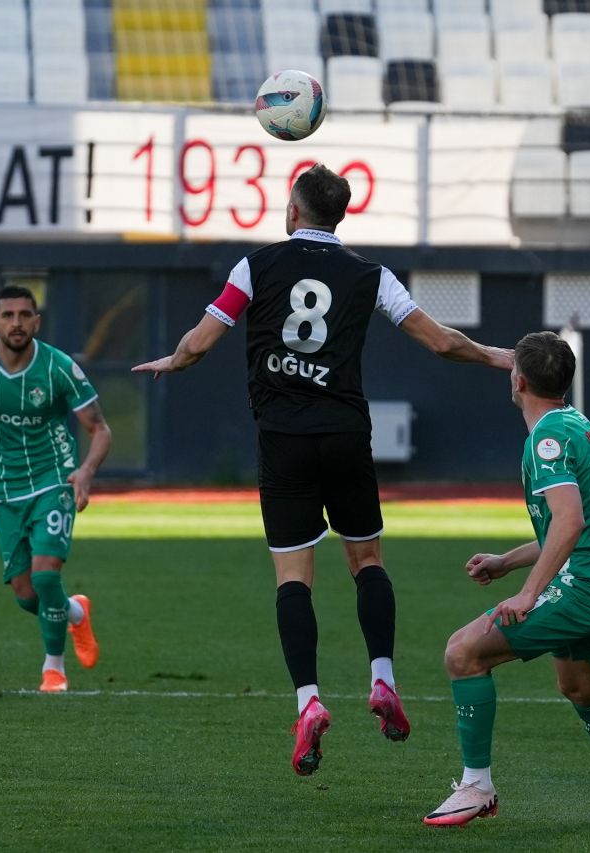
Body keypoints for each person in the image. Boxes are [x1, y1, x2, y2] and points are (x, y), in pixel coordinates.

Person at [132, 164, 513, 776]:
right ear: (341, 215)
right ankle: (383, 679)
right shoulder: (371, 275)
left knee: (294, 578)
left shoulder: (254, 267)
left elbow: (203, 340)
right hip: (344, 435)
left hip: (283, 439)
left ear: (292, 209)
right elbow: (439, 341)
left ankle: (308, 702)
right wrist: (497, 355)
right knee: (367, 563)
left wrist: (172, 362)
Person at [423, 331, 590, 827]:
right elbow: (574, 527)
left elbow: (569, 524)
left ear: (518, 380)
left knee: (462, 653)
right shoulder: (579, 425)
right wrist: (508, 561)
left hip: (585, 584)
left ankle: (476, 787)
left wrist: (528, 593)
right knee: (581, 687)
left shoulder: (546, 440)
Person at [0, 285, 113, 693]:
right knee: (25, 595)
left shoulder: (58, 367)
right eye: (8, 315)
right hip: (2, 488)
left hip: (53, 480)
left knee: (43, 578)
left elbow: (100, 429)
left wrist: (87, 470)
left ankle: (53, 669)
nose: (16, 323)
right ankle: (75, 611)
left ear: (37, 321)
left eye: (25, 315)